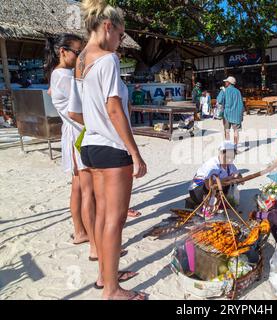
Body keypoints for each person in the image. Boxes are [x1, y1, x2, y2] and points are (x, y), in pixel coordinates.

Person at [74, 0, 148, 300]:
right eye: (120, 35)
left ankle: (105, 277)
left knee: (103, 216)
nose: (120, 43)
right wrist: (135, 152)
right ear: (108, 27)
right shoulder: (107, 59)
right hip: (111, 148)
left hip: (90, 146)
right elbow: (115, 108)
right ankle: (112, 290)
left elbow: (81, 108)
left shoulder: (82, 59)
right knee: (114, 221)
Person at [45, 33, 98, 258]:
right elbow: (78, 111)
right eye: (79, 52)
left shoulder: (59, 74)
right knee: (89, 192)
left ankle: (80, 231)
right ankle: (96, 245)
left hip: (73, 134)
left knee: (78, 188)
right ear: (63, 51)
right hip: (79, 135)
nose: (81, 57)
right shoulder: (64, 75)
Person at [185, 141, 242, 209]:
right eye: (227, 157)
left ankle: (218, 201)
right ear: (221, 153)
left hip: (215, 188)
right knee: (224, 183)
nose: (230, 160)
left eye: (232, 157)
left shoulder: (230, 165)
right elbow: (208, 185)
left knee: (229, 184)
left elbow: (241, 179)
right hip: (198, 190)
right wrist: (227, 179)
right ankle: (206, 205)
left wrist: (237, 177)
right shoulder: (212, 165)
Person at [222, 76, 244, 147]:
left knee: (227, 130)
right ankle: (235, 147)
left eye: (226, 81)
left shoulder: (224, 90)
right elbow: (241, 103)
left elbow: (219, 101)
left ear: (229, 83)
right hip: (237, 114)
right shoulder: (238, 91)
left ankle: (228, 146)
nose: (225, 82)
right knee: (236, 131)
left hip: (227, 114)